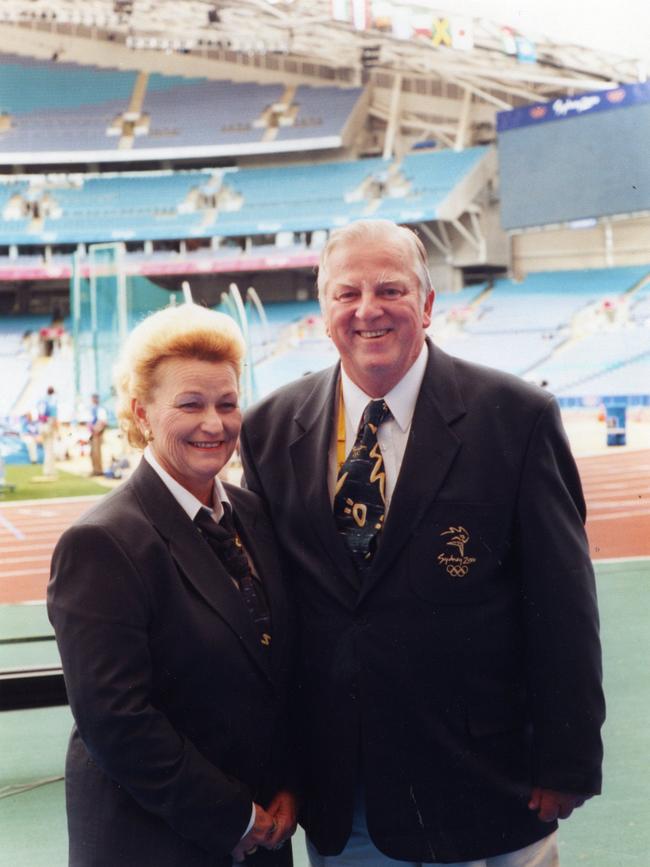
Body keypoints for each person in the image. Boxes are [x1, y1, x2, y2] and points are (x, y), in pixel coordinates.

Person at [240, 219, 605, 867]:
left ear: (429, 304)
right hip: (346, 795)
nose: (367, 309)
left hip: (492, 783)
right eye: (346, 293)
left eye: (391, 289)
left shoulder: (515, 418)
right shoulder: (270, 429)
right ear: (323, 310)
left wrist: (569, 755)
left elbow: (563, 605)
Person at [48, 303, 297, 867]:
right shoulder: (102, 542)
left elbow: (273, 673)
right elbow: (116, 721)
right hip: (153, 842)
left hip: (261, 835)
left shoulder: (254, 517)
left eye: (228, 403)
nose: (214, 423)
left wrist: (286, 780)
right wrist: (234, 815)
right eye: (190, 404)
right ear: (142, 412)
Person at [37, 385, 58, 477]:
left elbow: (39, 414)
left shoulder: (41, 399)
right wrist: (56, 429)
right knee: (49, 449)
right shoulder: (52, 400)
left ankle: (47, 471)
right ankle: (49, 471)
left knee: (46, 449)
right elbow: (53, 416)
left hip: (41, 425)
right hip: (48, 424)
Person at [88, 392, 108, 476]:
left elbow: (103, 422)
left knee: (96, 453)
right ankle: (95, 469)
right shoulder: (93, 408)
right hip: (92, 433)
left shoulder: (100, 409)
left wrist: (96, 430)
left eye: (94, 398)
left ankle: (98, 470)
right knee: (92, 453)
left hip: (97, 434)